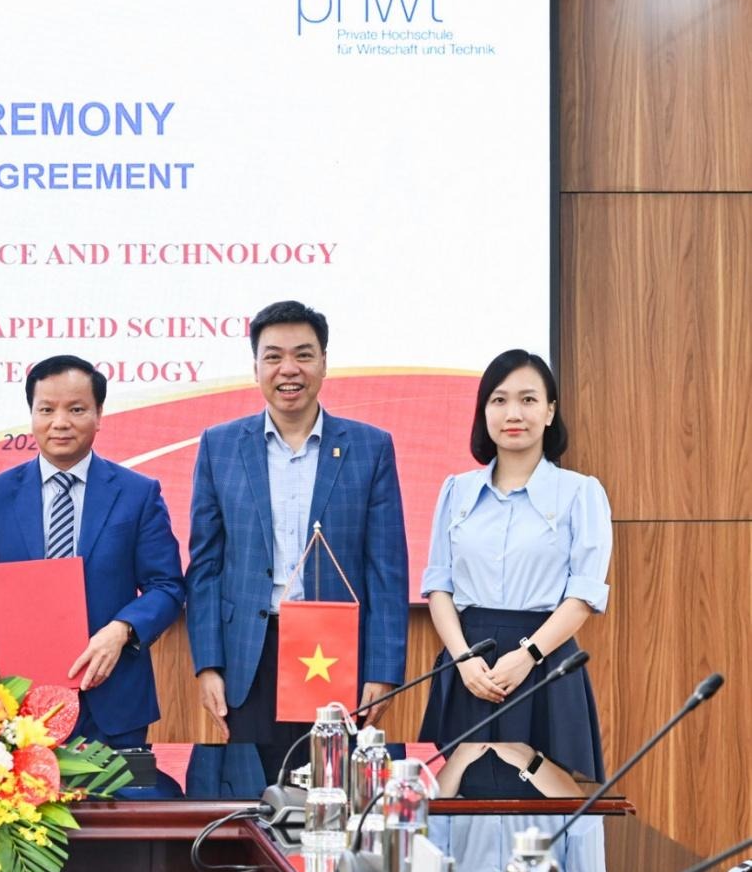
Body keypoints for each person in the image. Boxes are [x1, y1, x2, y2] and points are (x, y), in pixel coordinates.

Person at [184, 300, 409, 786]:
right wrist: (208, 665)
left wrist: (383, 669)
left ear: (324, 363)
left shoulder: (370, 447)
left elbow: (386, 569)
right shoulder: (220, 446)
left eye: (303, 355)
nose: (289, 369)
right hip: (250, 652)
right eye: (274, 356)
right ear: (256, 367)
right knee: (252, 797)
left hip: (336, 650)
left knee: (335, 793)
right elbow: (205, 567)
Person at [0, 355, 184, 747]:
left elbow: (167, 586)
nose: (60, 422)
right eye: (46, 410)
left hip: (113, 697)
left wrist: (122, 631)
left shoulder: (137, 493)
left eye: (76, 409)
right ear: (32, 415)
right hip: (19, 700)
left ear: (99, 414)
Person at [419, 349, 611, 796]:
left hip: (544, 663)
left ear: (550, 411)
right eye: (499, 400)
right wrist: (463, 660)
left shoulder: (580, 493)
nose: (513, 414)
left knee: (547, 810)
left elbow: (582, 596)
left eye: (528, 400)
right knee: (454, 805)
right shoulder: (456, 490)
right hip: (468, 664)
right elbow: (439, 586)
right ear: (483, 411)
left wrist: (527, 656)